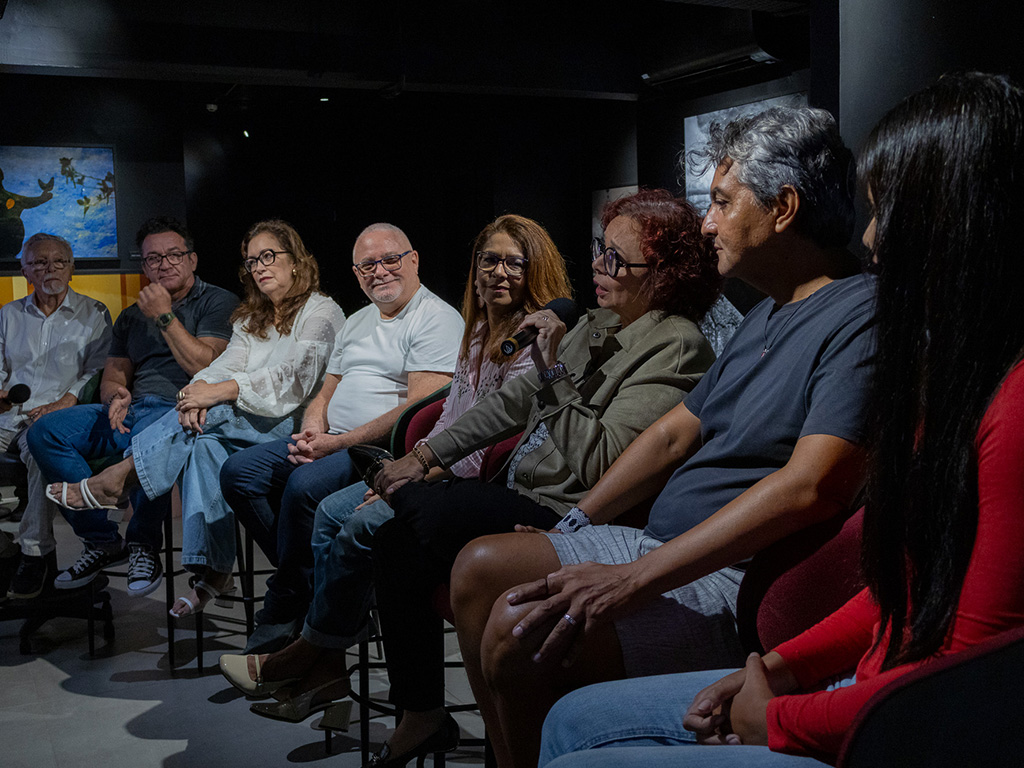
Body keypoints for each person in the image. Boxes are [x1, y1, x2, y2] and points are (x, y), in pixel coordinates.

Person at [538, 71, 1024, 768]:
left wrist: (784, 716)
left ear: (959, 223)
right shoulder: (947, 384)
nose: (872, 239)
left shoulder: (998, 397)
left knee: (571, 728)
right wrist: (782, 670)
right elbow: (905, 593)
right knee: (572, 719)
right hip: (862, 688)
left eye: (889, 212)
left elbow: (965, 682)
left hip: (898, 724)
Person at [449, 107, 876, 768]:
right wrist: (576, 522)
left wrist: (636, 579)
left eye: (723, 203)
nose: (708, 223)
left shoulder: (857, 312)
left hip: (726, 573)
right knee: (477, 567)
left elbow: (811, 486)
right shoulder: (766, 313)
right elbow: (675, 434)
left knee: (517, 629)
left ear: (784, 208)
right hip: (657, 541)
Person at [362, 188, 721, 767]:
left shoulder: (677, 345)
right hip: (518, 493)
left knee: (423, 513)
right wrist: (424, 457)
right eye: (600, 252)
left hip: (571, 513)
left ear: (664, 275)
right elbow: (507, 404)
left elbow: (601, 463)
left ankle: (504, 743)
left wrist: (554, 371)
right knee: (395, 540)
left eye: (617, 261)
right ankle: (425, 712)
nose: (600, 268)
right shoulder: (597, 321)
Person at [218, 213, 574, 723]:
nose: (497, 272)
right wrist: (325, 431)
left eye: (512, 263)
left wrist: (411, 472)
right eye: (487, 261)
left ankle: (308, 646)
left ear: (414, 262)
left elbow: (489, 437)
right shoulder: (473, 332)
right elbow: (447, 414)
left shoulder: (523, 340)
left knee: (329, 506)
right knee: (290, 497)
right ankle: (324, 654)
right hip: (409, 459)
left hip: (464, 479)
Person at [43, 219, 345, 615]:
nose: (259, 267)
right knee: (204, 442)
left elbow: (293, 379)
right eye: (252, 261)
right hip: (233, 419)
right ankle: (213, 570)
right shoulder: (250, 318)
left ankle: (117, 481)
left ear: (296, 261)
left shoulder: (321, 311)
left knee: (214, 411)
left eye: (269, 256)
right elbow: (221, 368)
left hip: (292, 420)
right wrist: (192, 395)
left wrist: (214, 393)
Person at [218, 222, 464, 652]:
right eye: (367, 264)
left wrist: (341, 442)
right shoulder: (357, 320)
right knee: (239, 472)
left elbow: (419, 410)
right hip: (335, 438)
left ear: (414, 261)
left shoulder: (436, 318)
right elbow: (327, 388)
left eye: (390, 259)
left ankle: (288, 601)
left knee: (303, 486)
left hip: (383, 449)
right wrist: (313, 426)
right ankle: (322, 584)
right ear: (355, 273)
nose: (380, 271)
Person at [27, 216, 237, 596]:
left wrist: (164, 316)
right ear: (143, 266)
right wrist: (114, 396)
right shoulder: (130, 316)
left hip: (182, 409)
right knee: (45, 431)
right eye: (153, 258)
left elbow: (204, 366)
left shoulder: (218, 301)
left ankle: (143, 545)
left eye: (174, 255)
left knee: (145, 434)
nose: (164, 264)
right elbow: (113, 376)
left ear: (192, 259)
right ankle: (103, 539)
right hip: (135, 407)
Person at [0, 233, 111, 599]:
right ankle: (4, 547)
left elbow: (95, 373)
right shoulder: (8, 314)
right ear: (24, 271)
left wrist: (63, 403)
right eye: (40, 263)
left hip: (56, 419)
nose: (51, 269)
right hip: (7, 415)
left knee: (40, 448)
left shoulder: (94, 314)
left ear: (72, 267)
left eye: (59, 261)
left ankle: (34, 552)